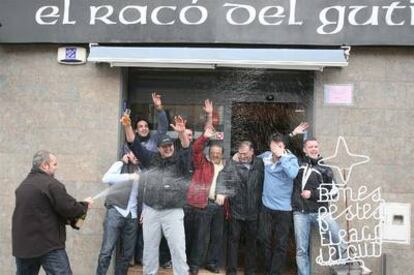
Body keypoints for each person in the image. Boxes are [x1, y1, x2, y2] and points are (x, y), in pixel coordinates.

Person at [122, 112, 191, 275]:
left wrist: (181, 133)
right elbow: (133, 143)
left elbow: (187, 147)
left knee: (178, 250)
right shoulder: (150, 158)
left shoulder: (180, 161)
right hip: (152, 211)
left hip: (173, 211)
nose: (168, 149)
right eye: (164, 147)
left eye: (170, 146)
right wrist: (127, 125)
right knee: (149, 251)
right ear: (159, 148)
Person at [12, 150, 93, 275]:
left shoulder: (23, 186)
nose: (56, 167)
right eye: (54, 164)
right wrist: (84, 206)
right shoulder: (51, 184)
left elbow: (46, 212)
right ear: (45, 165)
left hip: (24, 247)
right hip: (48, 245)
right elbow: (69, 209)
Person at [123, 92, 170, 267]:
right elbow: (125, 156)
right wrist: (127, 158)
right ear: (135, 129)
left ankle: (149, 258)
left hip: (151, 186)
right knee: (134, 223)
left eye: (145, 126)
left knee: (149, 221)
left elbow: (164, 126)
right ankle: (132, 256)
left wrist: (159, 107)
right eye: (140, 126)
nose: (143, 128)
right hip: (134, 187)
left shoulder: (155, 140)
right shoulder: (128, 143)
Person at [291, 138, 345, 275]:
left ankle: (343, 269)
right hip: (300, 212)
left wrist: (313, 194)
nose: (314, 149)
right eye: (310, 147)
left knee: (339, 239)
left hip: (321, 212)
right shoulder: (297, 165)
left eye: (315, 146)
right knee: (301, 250)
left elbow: (334, 192)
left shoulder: (326, 169)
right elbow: (282, 151)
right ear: (304, 150)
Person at [186, 100, 225, 275]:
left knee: (217, 237)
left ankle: (212, 263)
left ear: (222, 155)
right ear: (209, 153)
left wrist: (225, 196)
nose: (215, 155)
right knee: (201, 237)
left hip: (220, 207)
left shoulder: (227, 167)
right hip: (204, 204)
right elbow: (196, 148)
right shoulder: (202, 163)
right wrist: (206, 134)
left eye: (218, 153)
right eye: (213, 153)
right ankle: (194, 266)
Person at [216, 141, 264, 275]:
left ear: (252, 151)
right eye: (240, 154)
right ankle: (231, 271)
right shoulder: (233, 164)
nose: (242, 156)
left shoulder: (260, 163)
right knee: (233, 243)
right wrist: (221, 192)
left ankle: (251, 271)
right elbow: (223, 176)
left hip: (254, 212)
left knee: (251, 244)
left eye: (245, 154)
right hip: (236, 210)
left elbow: (277, 152)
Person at [258, 133, 299, 275]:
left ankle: (275, 272)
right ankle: (267, 270)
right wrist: (237, 157)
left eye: (279, 146)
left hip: (284, 209)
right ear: (270, 145)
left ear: (284, 146)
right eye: (274, 145)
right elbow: (251, 160)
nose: (275, 148)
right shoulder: (265, 156)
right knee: (264, 240)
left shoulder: (291, 158)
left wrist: (282, 157)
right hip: (266, 206)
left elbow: (293, 174)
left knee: (281, 244)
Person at [96, 145, 141, 275]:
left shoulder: (142, 170)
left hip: (132, 216)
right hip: (116, 211)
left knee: (127, 254)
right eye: (134, 153)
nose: (136, 156)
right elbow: (106, 178)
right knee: (106, 251)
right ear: (128, 154)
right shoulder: (119, 165)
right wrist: (129, 175)